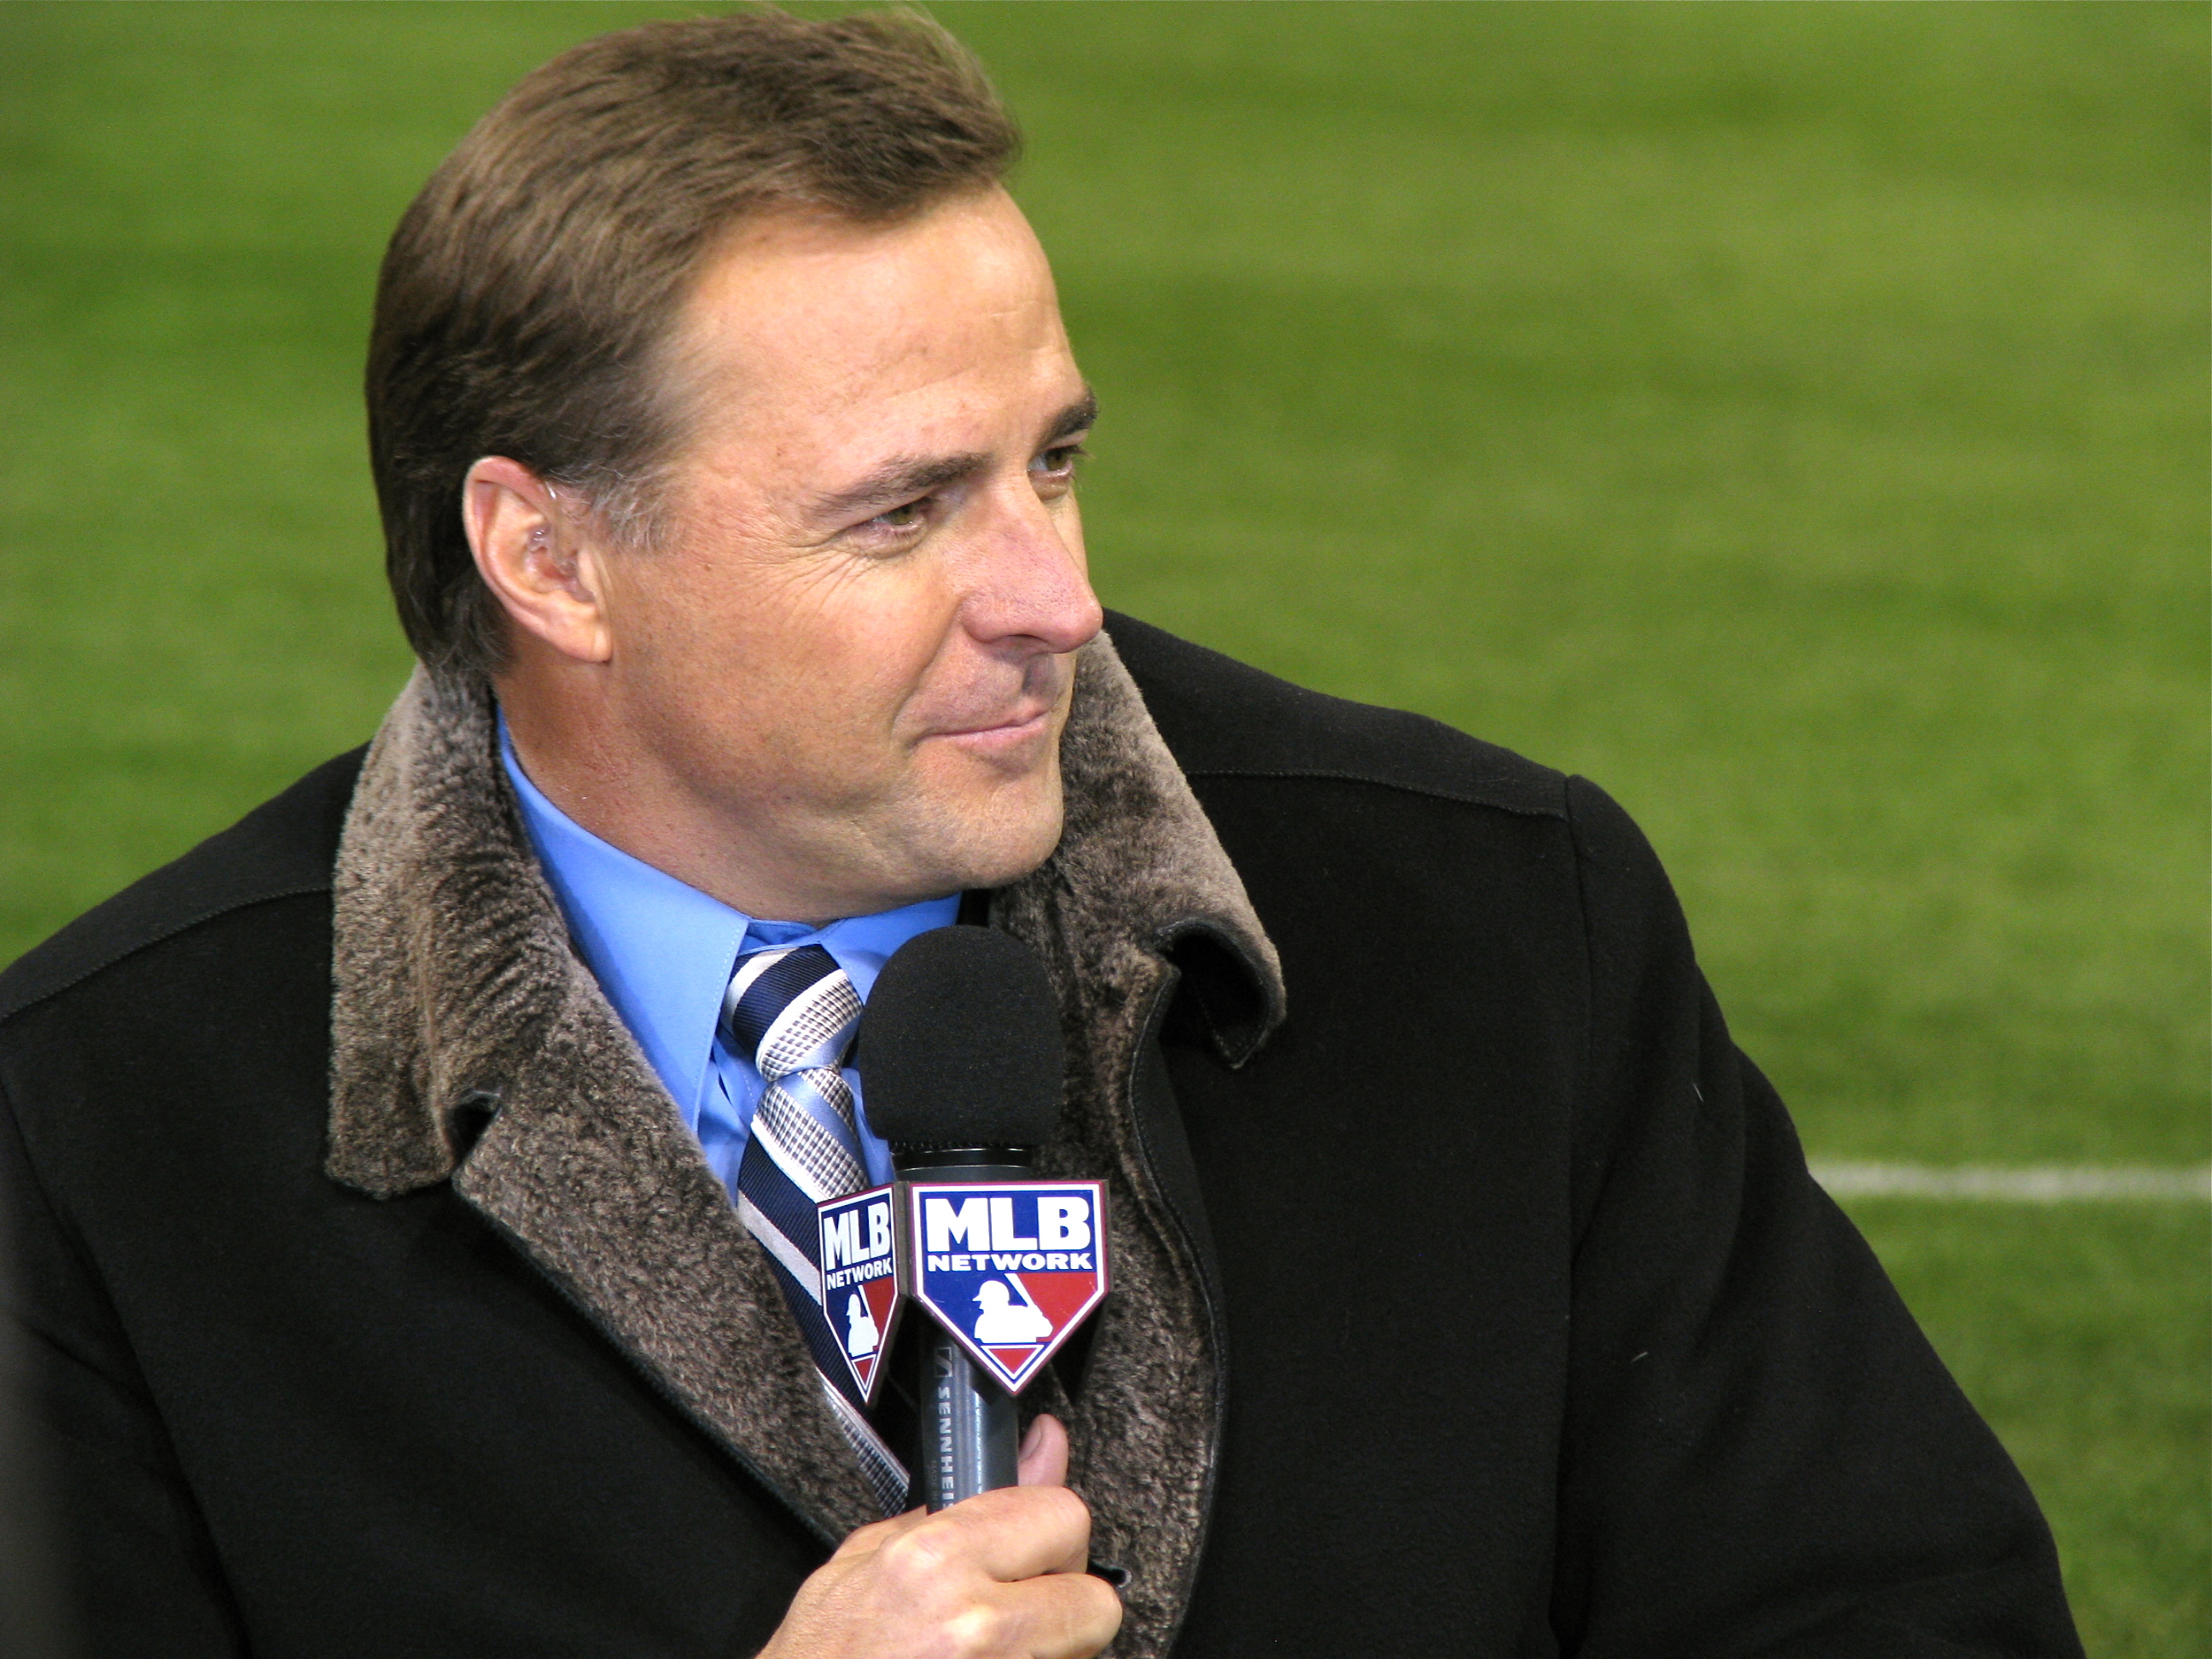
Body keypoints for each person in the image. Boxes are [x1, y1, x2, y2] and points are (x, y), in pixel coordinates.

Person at [0, 11, 2084, 1658]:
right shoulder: (103, 1134)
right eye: (904, 511)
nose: (1054, 600)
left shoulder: (1490, 922)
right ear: (551, 559)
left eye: (1054, 462)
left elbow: (1892, 1610)